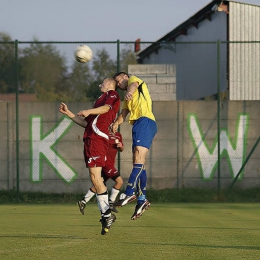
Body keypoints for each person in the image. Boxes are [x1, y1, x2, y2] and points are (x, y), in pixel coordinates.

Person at [59, 77, 120, 235]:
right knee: (95, 179)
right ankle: (107, 216)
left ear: (110, 85)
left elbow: (107, 109)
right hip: (90, 139)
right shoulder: (99, 100)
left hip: (98, 139)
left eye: (103, 82)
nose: (100, 84)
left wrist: (88, 111)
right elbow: (86, 123)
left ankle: (107, 215)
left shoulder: (112, 95)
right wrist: (69, 113)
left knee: (96, 177)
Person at [112, 71, 157, 220]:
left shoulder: (133, 80)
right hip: (138, 124)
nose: (118, 85)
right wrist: (116, 124)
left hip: (145, 120)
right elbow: (123, 114)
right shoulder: (127, 100)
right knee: (138, 163)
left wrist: (129, 92)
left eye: (118, 81)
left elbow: (133, 85)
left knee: (138, 157)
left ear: (125, 76)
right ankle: (142, 199)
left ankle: (130, 192)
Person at [78, 130, 124, 215]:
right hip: (106, 164)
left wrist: (120, 146)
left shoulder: (118, 135)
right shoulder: (103, 133)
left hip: (110, 163)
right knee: (119, 181)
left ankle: (83, 201)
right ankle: (111, 202)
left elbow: (121, 149)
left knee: (99, 184)